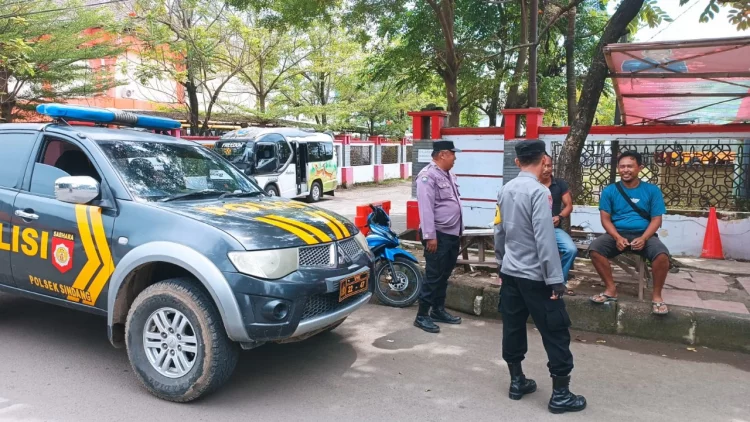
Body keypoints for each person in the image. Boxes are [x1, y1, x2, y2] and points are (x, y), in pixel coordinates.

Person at [494, 140, 586, 414]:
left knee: (512, 326)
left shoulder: (505, 189)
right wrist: (555, 278)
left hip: (511, 273)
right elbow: (545, 239)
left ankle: (516, 382)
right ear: (543, 159)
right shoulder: (540, 193)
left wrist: (502, 262)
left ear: (519, 161)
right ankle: (561, 395)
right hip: (536, 276)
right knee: (555, 332)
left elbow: (499, 231)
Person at [588, 151, 671, 315]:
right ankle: (611, 290)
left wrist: (644, 238)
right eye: (622, 166)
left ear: (640, 168)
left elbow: (656, 220)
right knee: (595, 249)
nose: (625, 170)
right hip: (617, 234)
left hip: (644, 234)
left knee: (662, 255)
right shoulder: (610, 191)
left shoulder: (652, 191)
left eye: (630, 166)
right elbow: (605, 219)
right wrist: (617, 237)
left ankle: (657, 296)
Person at [414, 140, 464, 333]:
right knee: (434, 275)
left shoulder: (448, 174)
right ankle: (422, 315)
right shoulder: (427, 176)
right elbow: (425, 208)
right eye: (453, 153)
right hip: (437, 235)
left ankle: (438, 310)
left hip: (451, 232)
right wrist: (429, 236)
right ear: (443, 154)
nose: (455, 157)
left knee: (444, 274)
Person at [540, 153, 578, 295]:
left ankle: (559, 283)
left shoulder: (559, 184)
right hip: (532, 230)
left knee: (571, 250)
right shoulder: (531, 185)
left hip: (553, 229)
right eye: (543, 166)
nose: (546, 169)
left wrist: (559, 217)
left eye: (549, 165)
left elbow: (569, 205)